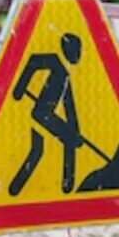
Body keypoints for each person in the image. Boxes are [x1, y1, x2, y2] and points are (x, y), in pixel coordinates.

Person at [8, 33, 84, 196]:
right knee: (41, 150)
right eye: (78, 50)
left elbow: (69, 105)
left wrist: (75, 130)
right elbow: (33, 62)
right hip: (40, 114)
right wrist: (19, 90)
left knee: (38, 151)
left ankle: (67, 186)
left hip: (45, 116)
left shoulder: (66, 75)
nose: (79, 55)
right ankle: (14, 190)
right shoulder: (55, 62)